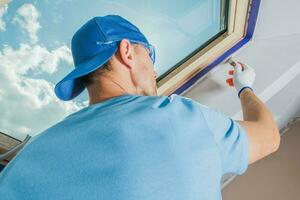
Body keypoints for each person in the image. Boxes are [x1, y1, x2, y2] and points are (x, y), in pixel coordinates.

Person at [0, 15, 280, 200]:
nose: (155, 69)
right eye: (150, 54)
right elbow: (268, 136)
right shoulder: (179, 119)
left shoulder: (28, 158)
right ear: (127, 52)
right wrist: (245, 88)